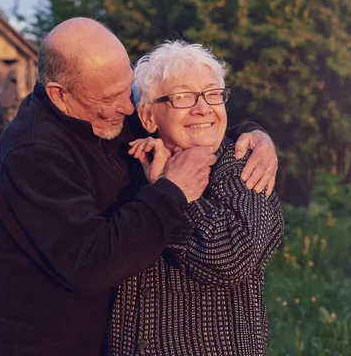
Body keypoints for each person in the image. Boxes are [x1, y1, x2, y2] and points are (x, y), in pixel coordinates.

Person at [0, 18, 279, 356]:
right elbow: (90, 261)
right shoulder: (32, 155)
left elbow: (188, 118)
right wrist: (172, 192)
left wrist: (253, 134)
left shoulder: (107, 116)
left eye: (128, 89)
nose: (127, 107)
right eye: (112, 97)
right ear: (60, 95)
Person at [107, 40, 284, 355]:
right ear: (148, 118)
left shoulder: (245, 164)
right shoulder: (132, 162)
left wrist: (171, 190)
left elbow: (232, 259)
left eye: (213, 94)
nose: (203, 108)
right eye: (183, 97)